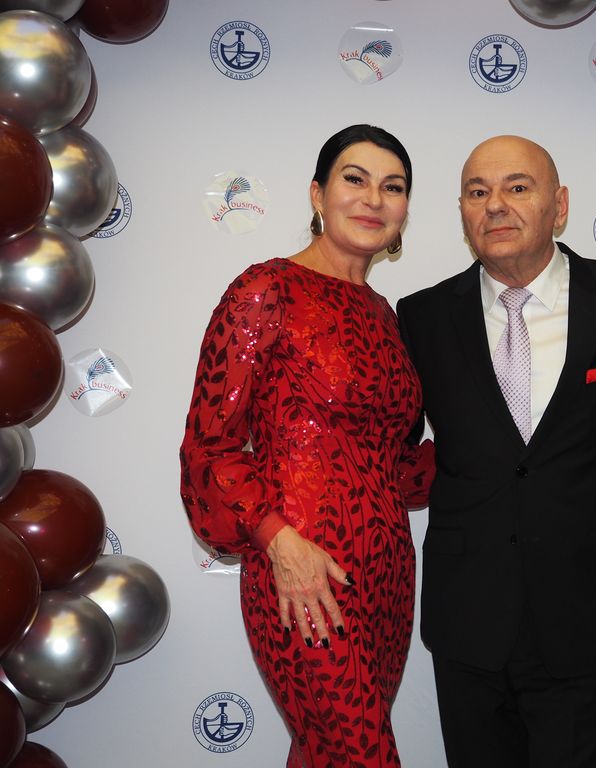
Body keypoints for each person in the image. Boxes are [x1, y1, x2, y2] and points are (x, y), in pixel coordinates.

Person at [179, 124, 432, 768]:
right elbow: (210, 446)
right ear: (318, 194)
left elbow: (397, 464)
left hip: (387, 576)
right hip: (301, 570)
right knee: (360, 754)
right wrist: (278, 542)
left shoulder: (385, 315)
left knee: (326, 754)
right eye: (355, 179)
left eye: (393, 187)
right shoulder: (265, 290)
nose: (373, 198)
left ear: (404, 211)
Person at [396, 135, 596, 768]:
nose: (495, 205)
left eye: (517, 187)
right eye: (477, 192)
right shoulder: (421, 318)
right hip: (468, 623)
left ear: (559, 206)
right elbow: (387, 448)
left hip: (589, 622)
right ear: (461, 212)